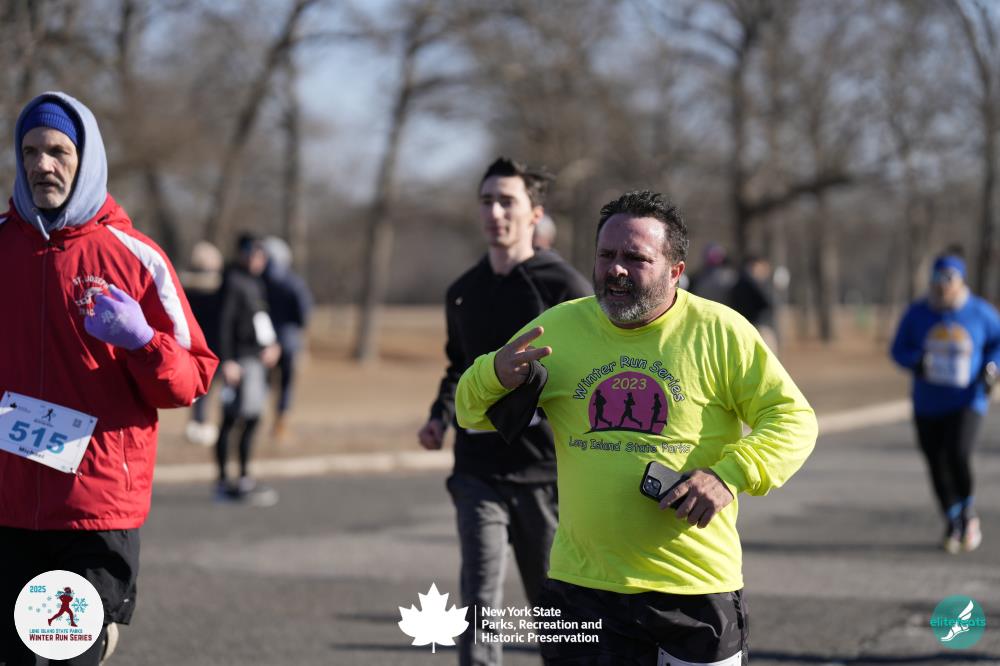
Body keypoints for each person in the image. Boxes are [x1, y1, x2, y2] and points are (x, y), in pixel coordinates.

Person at [456, 190, 817, 664]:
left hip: (692, 586)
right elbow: (470, 411)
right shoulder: (558, 329)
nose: (616, 270)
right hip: (583, 588)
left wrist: (729, 475)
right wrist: (493, 374)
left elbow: (794, 419)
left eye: (635, 258)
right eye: (606, 255)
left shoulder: (720, 331)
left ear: (675, 270)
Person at [0, 92, 217, 665]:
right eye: (30, 151)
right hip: (8, 502)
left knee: (65, 651)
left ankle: (94, 637)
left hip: (93, 504)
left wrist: (144, 342)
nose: (42, 164)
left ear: (87, 158)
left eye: (58, 151)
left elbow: (192, 378)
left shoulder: (135, 256)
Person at [417, 157, 591, 666]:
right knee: (480, 604)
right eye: (486, 201)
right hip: (478, 470)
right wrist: (439, 416)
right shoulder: (462, 293)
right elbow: (457, 367)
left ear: (535, 214)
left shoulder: (565, 290)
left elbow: (589, 377)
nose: (495, 212)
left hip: (544, 472)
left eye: (507, 201)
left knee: (554, 612)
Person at [890, 254, 1000, 553]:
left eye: (949, 279)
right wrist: (916, 361)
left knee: (958, 453)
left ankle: (968, 512)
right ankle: (952, 519)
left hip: (968, 399)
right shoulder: (917, 313)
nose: (942, 286)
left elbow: (997, 342)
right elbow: (897, 349)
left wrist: (992, 367)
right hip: (927, 403)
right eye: (937, 279)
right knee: (935, 461)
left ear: (961, 281)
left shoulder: (979, 312)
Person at [213, 233, 281, 505]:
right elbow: (224, 322)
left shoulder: (256, 282)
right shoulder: (233, 280)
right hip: (241, 360)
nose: (259, 259)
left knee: (252, 418)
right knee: (233, 419)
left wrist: (272, 345)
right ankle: (224, 482)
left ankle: (243, 478)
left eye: (262, 255)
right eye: (254, 253)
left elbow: (260, 319)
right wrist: (227, 360)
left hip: (257, 358)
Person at [261, 236, 312, 443]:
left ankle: (258, 421)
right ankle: (280, 425)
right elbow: (304, 313)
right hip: (289, 339)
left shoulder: (259, 281)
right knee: (286, 385)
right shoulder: (293, 282)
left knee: (264, 383)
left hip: (264, 340)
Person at [181, 241, 225, 446]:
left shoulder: (184, 285)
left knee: (202, 386)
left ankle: (199, 420)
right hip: (207, 341)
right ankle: (200, 421)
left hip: (197, 340)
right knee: (205, 386)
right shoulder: (217, 287)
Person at [729, 254, 778, 352]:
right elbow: (768, 302)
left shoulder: (739, 281)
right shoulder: (752, 283)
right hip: (759, 326)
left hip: (745, 326)